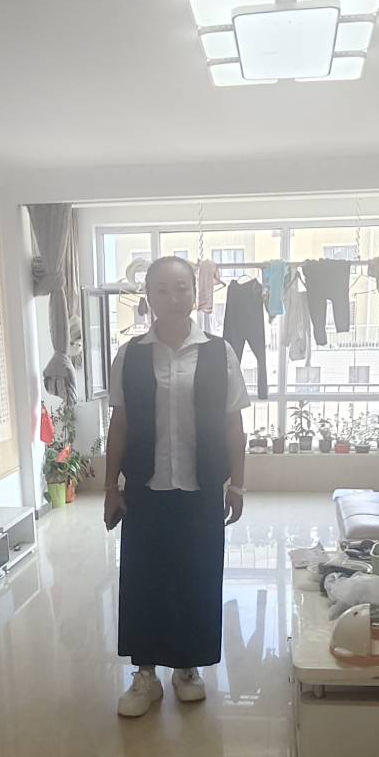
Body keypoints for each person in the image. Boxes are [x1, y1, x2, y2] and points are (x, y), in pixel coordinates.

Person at [104, 255, 249, 717]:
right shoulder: (130, 354)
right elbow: (120, 423)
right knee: (144, 578)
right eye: (162, 290)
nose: (173, 297)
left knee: (197, 575)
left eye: (182, 287)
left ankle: (187, 667)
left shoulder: (219, 352)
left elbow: (233, 424)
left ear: (195, 292)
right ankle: (145, 674)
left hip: (201, 485)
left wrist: (237, 485)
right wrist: (110, 487)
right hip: (146, 486)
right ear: (148, 296)